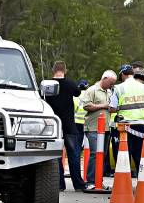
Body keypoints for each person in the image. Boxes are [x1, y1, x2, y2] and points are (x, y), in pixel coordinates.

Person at [45, 61, 87, 191]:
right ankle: (78, 185)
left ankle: (59, 184)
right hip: (69, 125)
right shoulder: (70, 84)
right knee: (73, 155)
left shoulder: (47, 85)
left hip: (53, 126)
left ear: (53, 70)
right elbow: (78, 92)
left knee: (56, 156)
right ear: (65, 70)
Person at [109, 65, 144, 176]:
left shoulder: (119, 88)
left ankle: (124, 184)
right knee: (140, 156)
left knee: (124, 155)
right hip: (142, 125)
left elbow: (112, 107)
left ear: (123, 74)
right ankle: (143, 183)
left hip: (125, 126)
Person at [79, 70, 116, 191]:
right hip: (93, 128)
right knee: (95, 154)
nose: (111, 85)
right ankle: (90, 181)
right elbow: (86, 106)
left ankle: (99, 181)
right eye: (110, 82)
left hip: (105, 128)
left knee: (102, 155)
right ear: (104, 78)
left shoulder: (109, 91)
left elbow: (109, 107)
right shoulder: (92, 90)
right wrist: (103, 106)